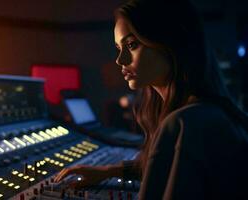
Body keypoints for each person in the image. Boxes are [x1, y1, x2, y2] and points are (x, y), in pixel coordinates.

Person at [55, 0, 248, 199]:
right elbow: (170, 166)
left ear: (171, 43)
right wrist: (109, 171)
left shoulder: (185, 122)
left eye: (132, 44)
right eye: (118, 48)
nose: (120, 60)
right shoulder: (207, 112)